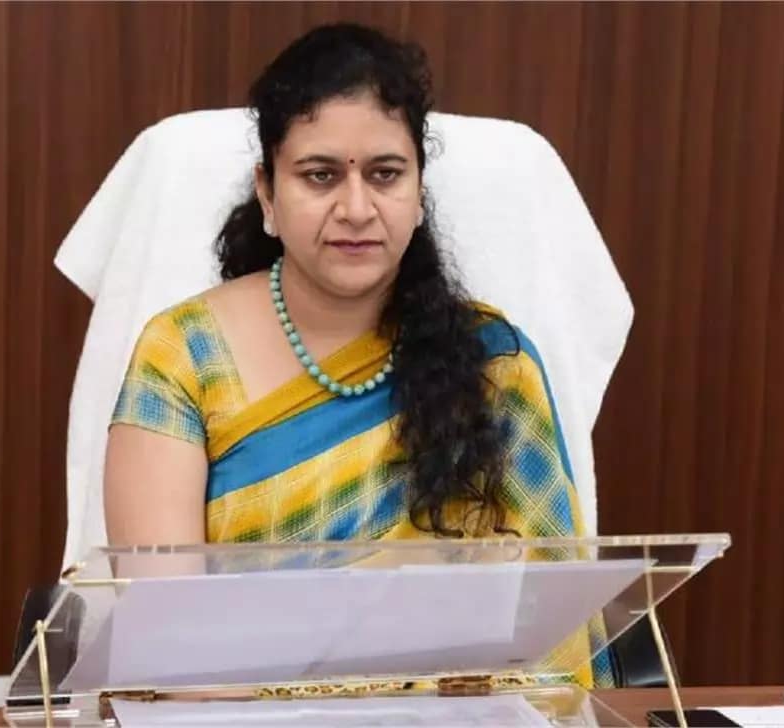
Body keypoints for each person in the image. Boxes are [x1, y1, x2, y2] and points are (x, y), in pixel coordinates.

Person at [104, 22, 611, 687]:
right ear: (267, 193)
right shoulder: (184, 356)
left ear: (418, 194)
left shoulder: (493, 363)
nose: (356, 207)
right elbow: (168, 648)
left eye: (385, 174)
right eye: (320, 176)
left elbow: (552, 640)